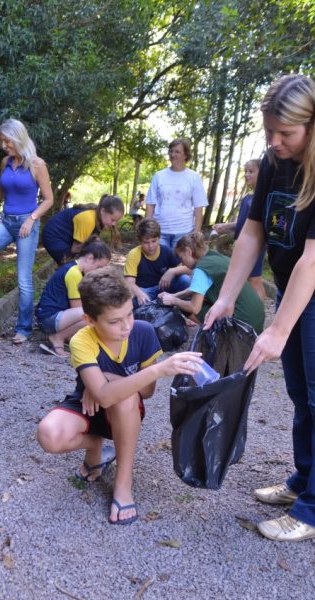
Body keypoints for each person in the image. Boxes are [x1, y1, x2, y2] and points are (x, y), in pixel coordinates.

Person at [204, 74, 315, 542]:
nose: (274, 142)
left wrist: (279, 330)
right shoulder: (274, 161)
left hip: (311, 283)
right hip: (294, 284)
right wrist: (226, 295)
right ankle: (303, 482)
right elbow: (252, 232)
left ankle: (311, 510)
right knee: (299, 392)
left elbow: (313, 258)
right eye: (270, 131)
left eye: (285, 133)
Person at [36, 266, 203, 524]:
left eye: (129, 315)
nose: (125, 326)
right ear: (90, 320)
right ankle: (95, 447)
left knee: (125, 397)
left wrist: (108, 381)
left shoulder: (144, 332)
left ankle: (123, 483)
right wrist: (107, 385)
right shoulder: (82, 339)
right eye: (114, 321)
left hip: (125, 412)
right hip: (87, 405)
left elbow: (145, 392)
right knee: (48, 434)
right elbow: (101, 396)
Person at [0, 118, 53, 344]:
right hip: (6, 221)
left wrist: (32, 219)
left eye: (7, 141)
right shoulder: (5, 162)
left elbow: (48, 199)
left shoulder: (37, 165)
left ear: (19, 138)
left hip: (27, 223)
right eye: (2, 142)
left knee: (24, 280)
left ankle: (24, 328)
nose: (4, 146)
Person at [159, 232, 264, 333]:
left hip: (241, 323)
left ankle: (220, 334)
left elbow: (194, 308)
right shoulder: (218, 258)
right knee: (193, 298)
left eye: (181, 258)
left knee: (186, 306)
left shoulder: (201, 270)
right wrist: (175, 295)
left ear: (188, 251)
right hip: (256, 319)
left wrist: (174, 301)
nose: (182, 263)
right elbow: (196, 288)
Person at [35, 236, 111, 357]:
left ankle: (67, 336)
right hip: (48, 319)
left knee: (95, 312)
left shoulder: (76, 269)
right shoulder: (74, 273)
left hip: (53, 317)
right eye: (99, 267)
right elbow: (77, 307)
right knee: (92, 315)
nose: (99, 272)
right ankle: (58, 338)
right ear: (90, 258)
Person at [212, 159, 267, 301]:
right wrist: (225, 226)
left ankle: (259, 314)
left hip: (255, 244)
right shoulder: (247, 198)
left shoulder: (263, 198)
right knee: (246, 279)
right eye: (245, 172)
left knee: (254, 279)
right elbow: (244, 223)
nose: (247, 175)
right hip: (242, 244)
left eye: (251, 171)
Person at [145, 138, 208, 249]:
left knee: (179, 265)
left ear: (186, 155)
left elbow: (199, 207)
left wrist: (197, 233)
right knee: (160, 265)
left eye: (177, 152)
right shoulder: (159, 176)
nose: (173, 154)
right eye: (171, 151)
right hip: (160, 231)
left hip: (184, 232)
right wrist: (146, 230)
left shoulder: (193, 177)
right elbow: (150, 204)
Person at [124, 217, 191, 306]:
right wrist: (139, 294)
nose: (151, 246)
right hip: (144, 290)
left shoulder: (166, 251)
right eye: (146, 242)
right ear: (140, 242)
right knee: (134, 302)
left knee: (185, 280)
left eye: (154, 241)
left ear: (159, 238)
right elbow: (129, 282)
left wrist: (172, 271)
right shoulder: (134, 254)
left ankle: (179, 307)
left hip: (163, 287)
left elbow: (189, 268)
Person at [41, 195, 124, 265]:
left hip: (67, 237)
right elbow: (76, 248)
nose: (114, 224)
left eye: (116, 221)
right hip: (54, 236)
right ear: (103, 211)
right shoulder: (88, 219)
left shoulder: (99, 217)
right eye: (112, 220)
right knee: (71, 264)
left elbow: (92, 239)